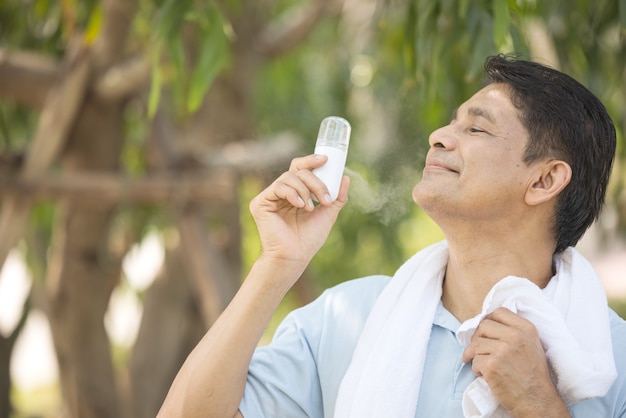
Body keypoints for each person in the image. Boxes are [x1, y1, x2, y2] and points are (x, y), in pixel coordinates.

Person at [158, 55, 626, 418]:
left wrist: (540, 404)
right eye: (451, 121)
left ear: (544, 181)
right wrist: (278, 262)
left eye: (477, 127)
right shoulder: (350, 320)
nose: (439, 135)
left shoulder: (612, 356)